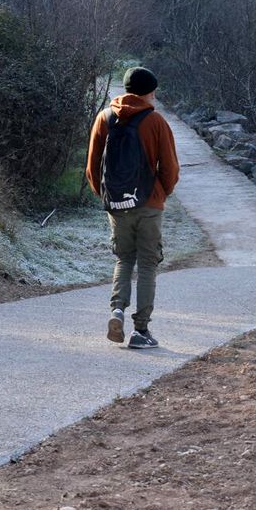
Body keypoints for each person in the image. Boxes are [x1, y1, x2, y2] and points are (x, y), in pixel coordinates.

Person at [86, 66, 180, 349]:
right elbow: (171, 168)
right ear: (150, 92)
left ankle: (117, 311)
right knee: (148, 263)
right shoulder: (156, 121)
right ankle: (141, 330)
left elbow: (92, 167)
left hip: (116, 204)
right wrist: (160, 194)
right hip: (149, 203)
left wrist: (108, 196)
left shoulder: (104, 118)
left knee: (124, 259)